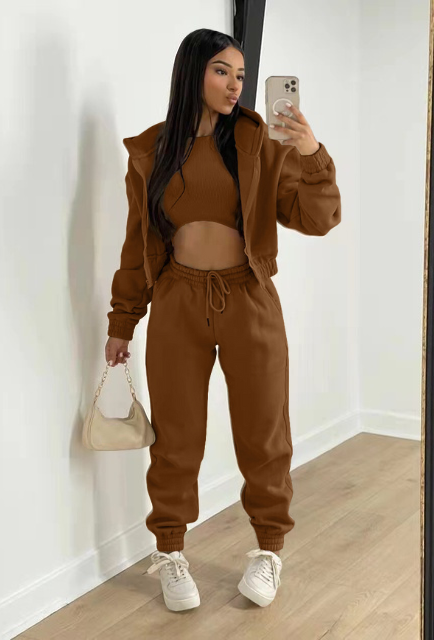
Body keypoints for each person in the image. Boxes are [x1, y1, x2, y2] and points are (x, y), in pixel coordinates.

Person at [105, 28, 341, 611]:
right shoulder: (153, 150)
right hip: (177, 302)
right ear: (192, 73)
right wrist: (122, 321)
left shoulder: (261, 141)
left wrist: (311, 152)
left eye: (240, 75)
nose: (235, 85)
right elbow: (136, 244)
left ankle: (268, 550)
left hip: (248, 299)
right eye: (221, 71)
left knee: (264, 434)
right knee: (176, 438)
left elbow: (317, 219)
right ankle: (170, 552)